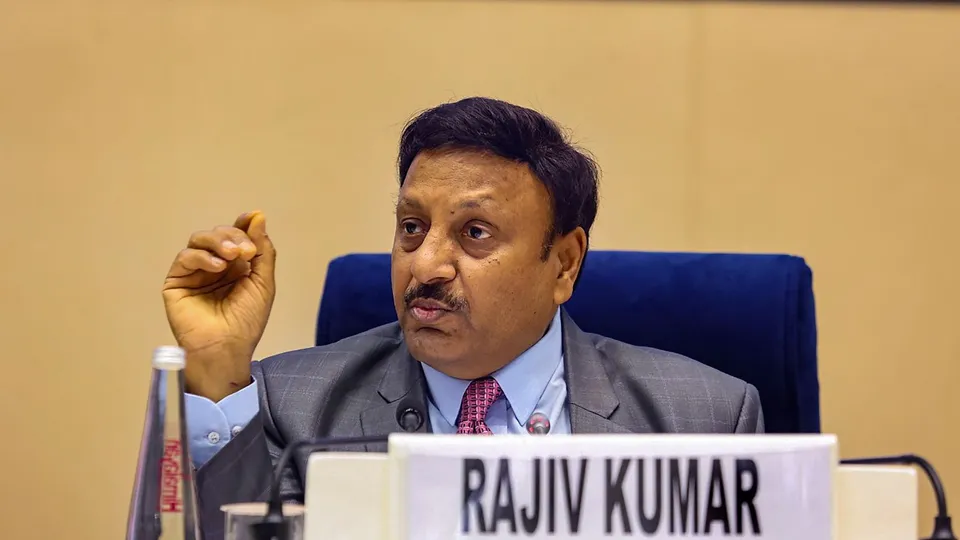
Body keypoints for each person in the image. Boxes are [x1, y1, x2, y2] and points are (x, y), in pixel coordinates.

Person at [162, 97, 764, 540]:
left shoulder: (704, 419)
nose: (425, 265)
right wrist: (218, 368)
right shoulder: (289, 407)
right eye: (411, 227)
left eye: (475, 233)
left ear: (564, 263)